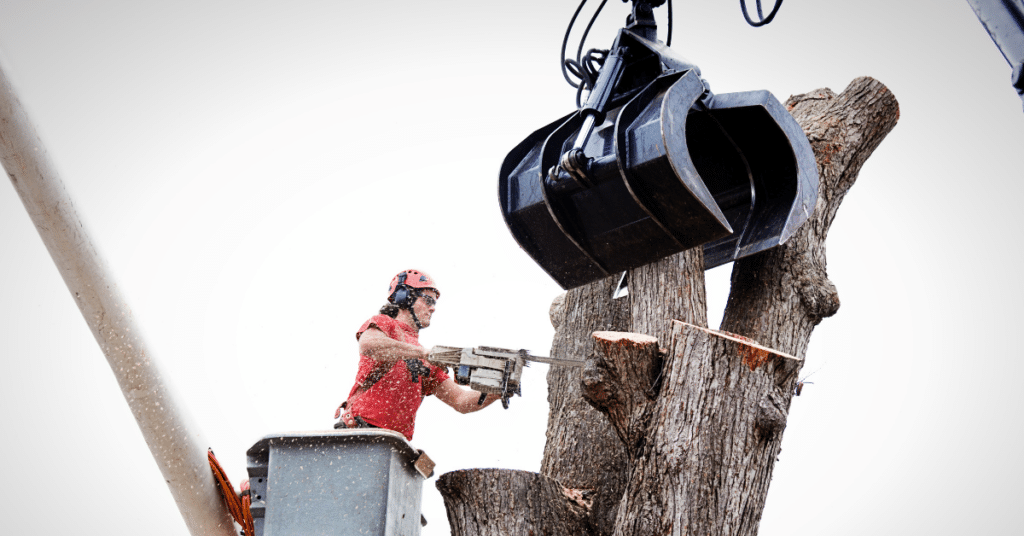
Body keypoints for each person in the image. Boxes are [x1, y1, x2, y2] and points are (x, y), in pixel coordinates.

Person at [335, 269, 501, 440]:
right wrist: (424, 353)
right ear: (405, 298)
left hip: (394, 443)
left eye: (435, 303)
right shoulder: (385, 324)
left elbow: (461, 401)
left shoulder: (428, 360)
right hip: (359, 434)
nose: (433, 308)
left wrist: (496, 391)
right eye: (428, 300)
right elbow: (368, 345)